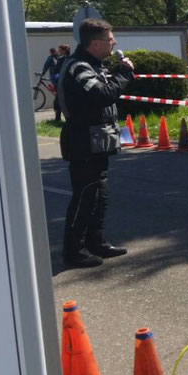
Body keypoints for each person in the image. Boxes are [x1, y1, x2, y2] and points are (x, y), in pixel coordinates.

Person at [58, 18, 135, 268]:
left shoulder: (94, 64)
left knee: (100, 195)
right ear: (95, 43)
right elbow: (101, 95)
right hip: (82, 142)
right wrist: (124, 74)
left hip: (98, 142)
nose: (114, 43)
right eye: (110, 40)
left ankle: (95, 242)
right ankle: (74, 250)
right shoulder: (78, 67)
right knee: (85, 196)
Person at [52, 44, 71, 122]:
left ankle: (60, 117)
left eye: (59, 49)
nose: (58, 51)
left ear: (64, 50)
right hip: (64, 82)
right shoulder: (70, 58)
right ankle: (58, 116)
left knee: (60, 99)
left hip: (64, 82)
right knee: (59, 99)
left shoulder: (64, 59)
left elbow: (56, 70)